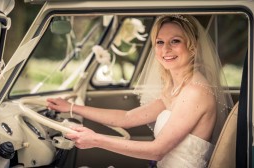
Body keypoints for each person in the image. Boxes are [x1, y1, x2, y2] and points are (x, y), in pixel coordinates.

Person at [47, 15, 233, 168]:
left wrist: (95, 139)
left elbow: (157, 150)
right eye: (159, 42)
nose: (165, 49)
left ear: (192, 47)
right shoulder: (176, 87)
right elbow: (127, 118)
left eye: (175, 41)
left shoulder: (195, 92)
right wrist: (71, 107)